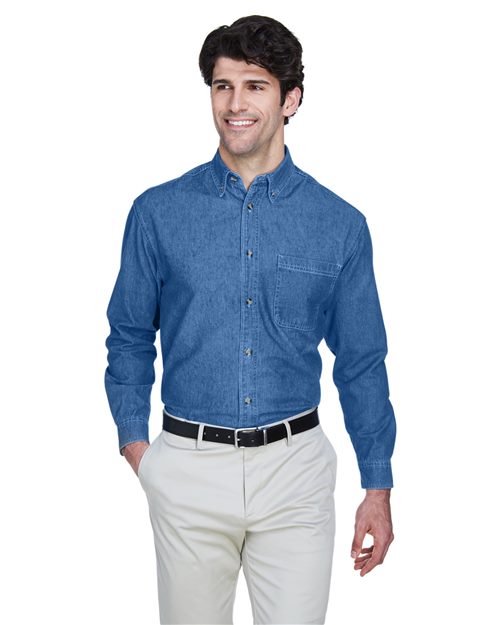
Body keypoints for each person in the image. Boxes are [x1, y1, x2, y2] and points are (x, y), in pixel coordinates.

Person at [105, 14, 396, 625]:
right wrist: (139, 448)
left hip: (296, 474)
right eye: (223, 86)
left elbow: (362, 361)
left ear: (290, 100)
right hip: (187, 468)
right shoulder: (157, 213)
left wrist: (378, 484)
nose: (235, 104)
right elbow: (129, 336)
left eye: (255, 86)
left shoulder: (339, 224)